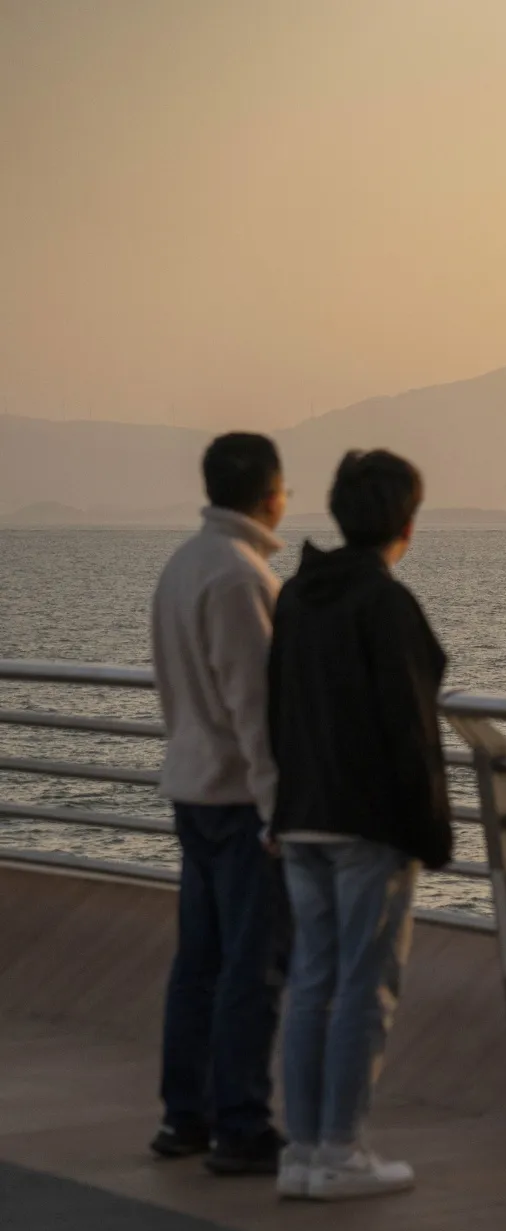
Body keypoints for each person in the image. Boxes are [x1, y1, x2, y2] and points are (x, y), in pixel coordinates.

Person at [267, 449, 451, 1201]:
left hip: (302, 815)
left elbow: (275, 707)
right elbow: (411, 731)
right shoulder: (385, 604)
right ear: (407, 522)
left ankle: (303, 1148)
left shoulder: (296, 596)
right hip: (368, 824)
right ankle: (342, 1148)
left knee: (310, 982)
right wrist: (432, 831)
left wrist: (282, 806)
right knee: (364, 985)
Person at [149, 432, 292, 1174]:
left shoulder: (182, 566)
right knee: (251, 967)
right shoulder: (242, 578)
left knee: (198, 964)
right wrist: (278, 812)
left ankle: (186, 1114)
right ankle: (241, 1121)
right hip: (239, 801)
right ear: (269, 493)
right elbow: (257, 709)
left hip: (191, 790)